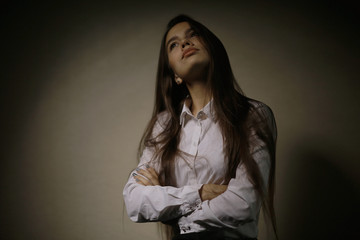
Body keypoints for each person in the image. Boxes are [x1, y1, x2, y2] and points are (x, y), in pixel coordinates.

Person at [123, 14, 277, 240]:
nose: (184, 43)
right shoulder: (163, 125)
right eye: (173, 45)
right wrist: (201, 193)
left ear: (212, 48)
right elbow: (135, 201)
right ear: (175, 74)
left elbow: (244, 203)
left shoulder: (253, 115)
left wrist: (171, 211)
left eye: (192, 35)